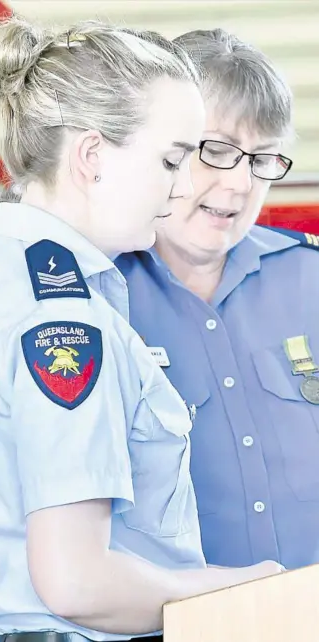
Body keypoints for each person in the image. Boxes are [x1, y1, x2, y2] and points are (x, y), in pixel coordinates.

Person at [0, 18, 285, 642]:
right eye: (171, 159)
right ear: (92, 157)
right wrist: (245, 594)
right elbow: (76, 583)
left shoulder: (9, 278)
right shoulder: (64, 319)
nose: (182, 186)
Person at [116, 28, 319, 572]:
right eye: (217, 150)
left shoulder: (310, 276)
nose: (237, 186)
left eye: (262, 159)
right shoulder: (95, 292)